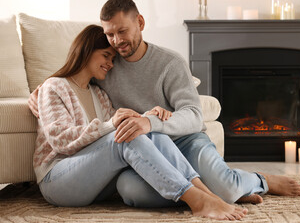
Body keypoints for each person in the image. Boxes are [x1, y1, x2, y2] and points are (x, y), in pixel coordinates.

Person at [29, 0, 300, 209]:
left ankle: (258, 181)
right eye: (110, 35)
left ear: (141, 23)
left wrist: (151, 120)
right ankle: (203, 193)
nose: (116, 42)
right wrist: (41, 93)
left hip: (184, 139)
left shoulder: (169, 63)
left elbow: (194, 115)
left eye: (122, 31)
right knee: (133, 192)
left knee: (226, 188)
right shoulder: (106, 70)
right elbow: (77, 89)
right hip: (145, 147)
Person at [34, 24, 247, 220]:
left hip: (94, 181)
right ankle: (197, 200)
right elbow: (60, 140)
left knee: (143, 129)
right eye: (106, 56)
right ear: (86, 51)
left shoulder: (98, 94)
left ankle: (206, 193)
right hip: (58, 179)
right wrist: (112, 125)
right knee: (126, 137)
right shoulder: (54, 87)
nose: (110, 64)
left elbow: (119, 126)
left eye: (112, 59)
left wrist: (149, 117)